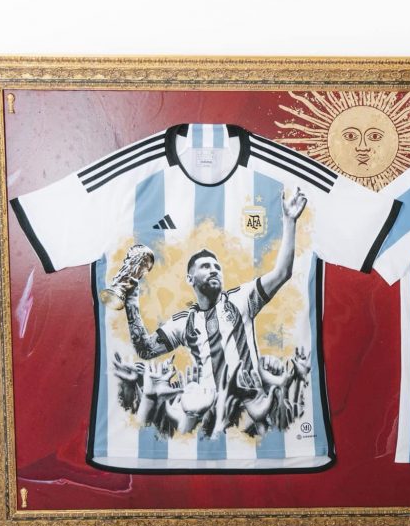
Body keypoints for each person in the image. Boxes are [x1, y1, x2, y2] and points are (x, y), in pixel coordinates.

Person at [121, 186, 309, 436]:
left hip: (252, 408)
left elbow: (282, 273)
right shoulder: (184, 322)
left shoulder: (241, 300)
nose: (213, 270)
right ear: (190, 279)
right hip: (209, 413)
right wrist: (131, 301)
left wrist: (289, 221)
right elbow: (146, 349)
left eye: (217, 267)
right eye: (205, 266)